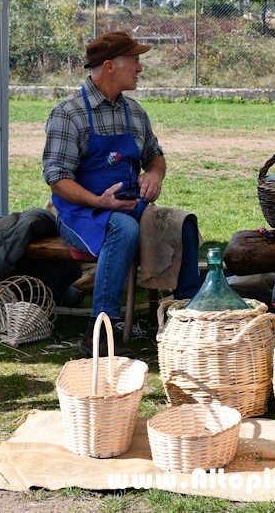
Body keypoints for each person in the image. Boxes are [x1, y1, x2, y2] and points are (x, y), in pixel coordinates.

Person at [42, 31, 201, 357]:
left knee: (183, 223)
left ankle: (189, 320)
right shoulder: (69, 113)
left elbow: (154, 155)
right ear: (110, 66)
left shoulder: (134, 113)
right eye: (135, 61)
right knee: (124, 227)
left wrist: (154, 174)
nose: (140, 68)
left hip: (129, 204)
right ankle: (98, 333)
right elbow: (57, 179)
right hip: (80, 210)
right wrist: (98, 201)